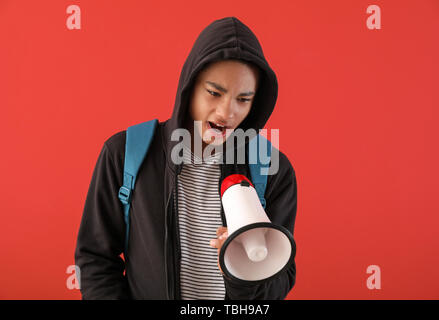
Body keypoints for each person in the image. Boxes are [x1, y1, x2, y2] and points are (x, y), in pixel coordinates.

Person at [75, 16, 298, 300]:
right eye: (214, 93)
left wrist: (243, 274)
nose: (226, 113)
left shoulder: (272, 169)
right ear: (189, 87)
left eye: (243, 99)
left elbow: (280, 282)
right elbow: (95, 259)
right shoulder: (124, 153)